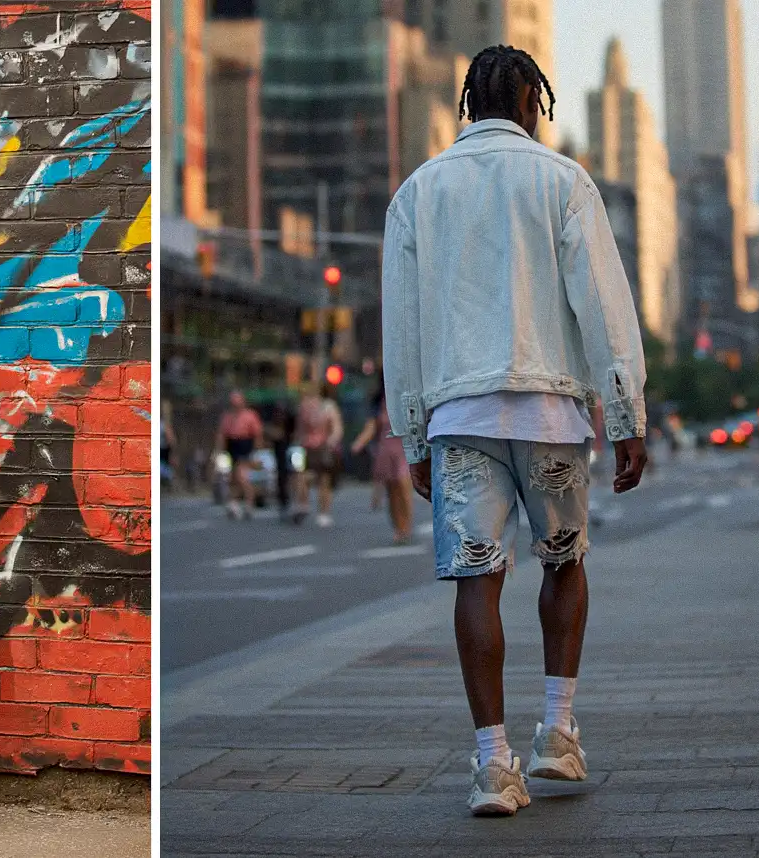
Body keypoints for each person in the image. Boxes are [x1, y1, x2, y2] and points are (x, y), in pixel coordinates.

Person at [380, 45, 648, 817]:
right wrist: (625, 412)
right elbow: (602, 303)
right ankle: (557, 733)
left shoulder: (417, 192)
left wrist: (412, 432)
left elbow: (402, 326)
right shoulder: (563, 181)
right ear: (535, 101)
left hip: (460, 418)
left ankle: (493, 765)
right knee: (563, 564)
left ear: (468, 105)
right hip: (551, 414)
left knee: (478, 578)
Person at [351, 385, 413, 543]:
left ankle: (406, 526)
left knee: (403, 485)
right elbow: (371, 427)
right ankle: (398, 528)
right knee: (392, 490)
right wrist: (359, 443)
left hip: (404, 449)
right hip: (386, 449)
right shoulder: (379, 404)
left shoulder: (410, 396)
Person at [295, 383, 344, 527]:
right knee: (304, 476)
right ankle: (305, 504)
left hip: (323, 447)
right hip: (308, 447)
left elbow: (336, 427)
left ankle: (323, 512)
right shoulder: (305, 407)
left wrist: (331, 441)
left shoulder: (327, 407)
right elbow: (300, 428)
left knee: (323, 480)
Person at [215, 390, 263, 519]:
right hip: (232, 445)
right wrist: (219, 450)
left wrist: (257, 451)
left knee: (241, 475)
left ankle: (249, 502)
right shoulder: (227, 416)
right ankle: (234, 502)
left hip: (244, 445)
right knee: (231, 477)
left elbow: (257, 434)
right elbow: (222, 434)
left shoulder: (250, 415)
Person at [265, 400, 296, 520]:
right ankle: (284, 502)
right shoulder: (272, 424)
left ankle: (297, 500)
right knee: (281, 477)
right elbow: (269, 434)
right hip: (280, 453)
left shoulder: (292, 423)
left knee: (296, 475)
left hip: (293, 450)